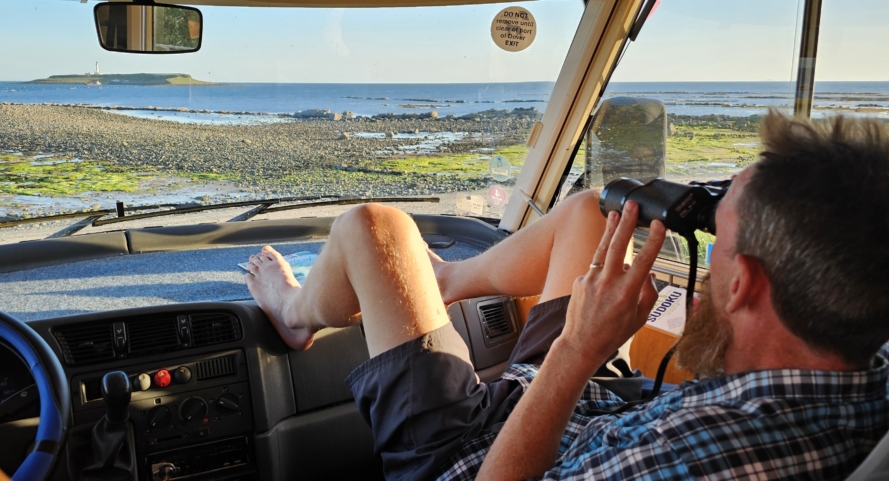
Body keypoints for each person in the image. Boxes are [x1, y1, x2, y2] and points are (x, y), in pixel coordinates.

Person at [244, 111, 889, 480]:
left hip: (471, 459)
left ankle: (294, 313)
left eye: (718, 239)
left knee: (372, 228)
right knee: (590, 211)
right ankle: (441, 282)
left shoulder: (701, 455)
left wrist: (578, 349)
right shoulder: (870, 373)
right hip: (590, 408)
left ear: (743, 284)